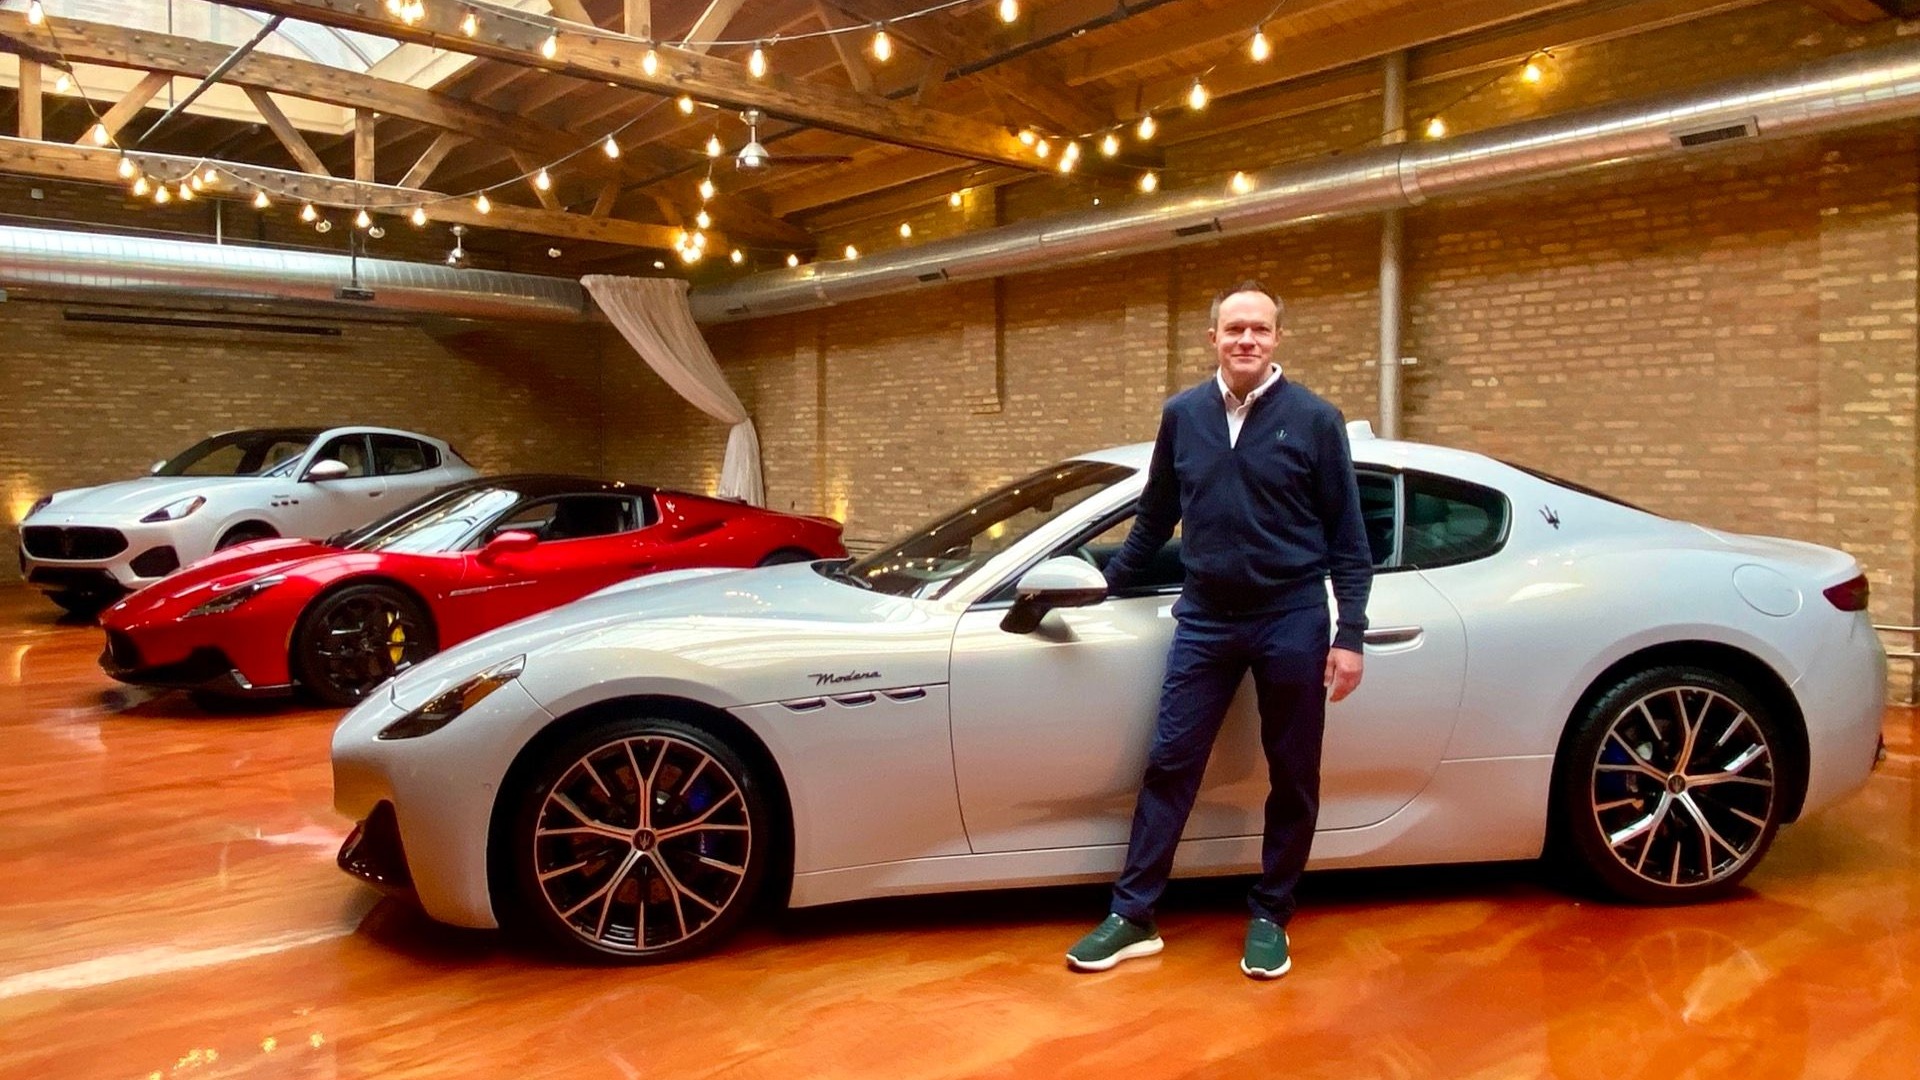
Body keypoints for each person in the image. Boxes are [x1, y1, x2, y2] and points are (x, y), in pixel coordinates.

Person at [1065, 280, 1373, 980]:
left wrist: (1349, 632)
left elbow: (1349, 541)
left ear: (1277, 339)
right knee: (1171, 763)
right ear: (1213, 339)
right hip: (1204, 617)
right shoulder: (1183, 415)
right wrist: (1101, 585)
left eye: (1260, 329)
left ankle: (1271, 914)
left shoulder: (1316, 420)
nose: (1247, 340)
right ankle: (1133, 914)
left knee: (1293, 773)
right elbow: (1154, 519)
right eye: (1234, 329)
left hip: (1292, 615)